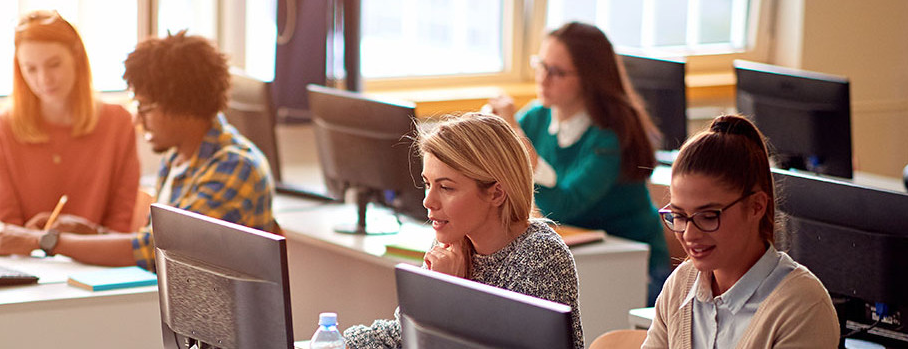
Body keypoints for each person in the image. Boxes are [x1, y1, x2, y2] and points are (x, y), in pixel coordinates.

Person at [0, 30, 276, 269]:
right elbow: (149, 240)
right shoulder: (178, 158)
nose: (137, 119)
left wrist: (45, 241)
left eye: (145, 108)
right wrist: (90, 232)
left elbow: (157, 251)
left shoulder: (234, 166)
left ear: (182, 106)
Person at [343, 113, 583, 349]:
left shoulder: (540, 256)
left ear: (496, 193)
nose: (428, 201)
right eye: (428, 184)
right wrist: (336, 343)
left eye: (446, 187)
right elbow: (403, 333)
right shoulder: (452, 245)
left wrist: (449, 294)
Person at [487, 21, 669, 305]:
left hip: (633, 266)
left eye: (556, 72)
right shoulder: (537, 116)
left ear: (589, 79)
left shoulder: (611, 134)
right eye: (541, 65)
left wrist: (518, 141)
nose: (543, 79)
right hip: (578, 258)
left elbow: (563, 207)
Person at [642, 115, 838, 348]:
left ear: (756, 206)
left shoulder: (802, 306)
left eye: (708, 216)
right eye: (679, 216)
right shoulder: (680, 285)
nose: (689, 235)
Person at [0, 10, 141, 235]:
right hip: (26, 264)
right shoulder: (0, 130)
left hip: (99, 262)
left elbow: (119, 224)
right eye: (31, 69)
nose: (44, 79)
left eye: (54, 64)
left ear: (76, 57)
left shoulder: (118, 124)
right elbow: (7, 229)